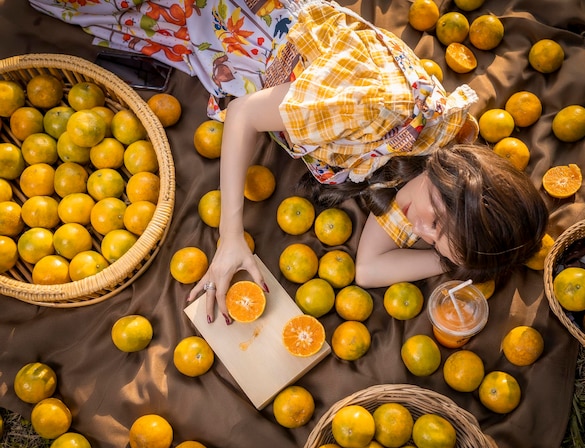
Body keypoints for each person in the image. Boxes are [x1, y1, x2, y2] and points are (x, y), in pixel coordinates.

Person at [30, 0, 548, 324]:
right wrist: (230, 238)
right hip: (226, 23)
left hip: (224, 56)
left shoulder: (429, 161)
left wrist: (453, 257)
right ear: (462, 180)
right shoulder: (380, 110)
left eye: (433, 237)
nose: (417, 229)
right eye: (435, 223)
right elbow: (243, 117)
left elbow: (367, 269)